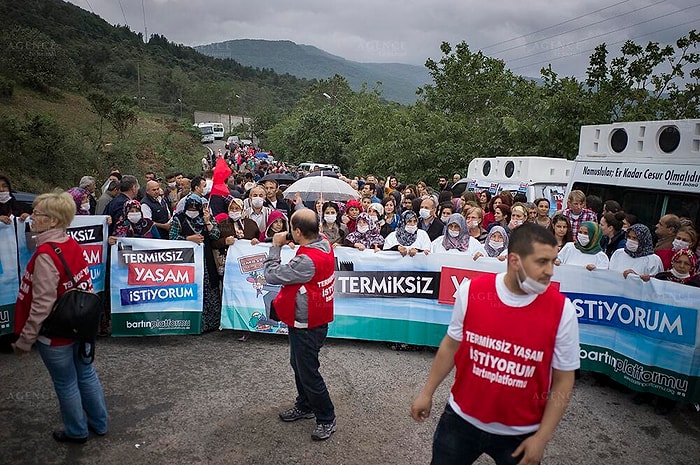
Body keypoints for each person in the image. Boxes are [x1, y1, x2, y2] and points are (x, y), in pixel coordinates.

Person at [410, 223, 579, 465]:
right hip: (460, 421)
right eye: (542, 262)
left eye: (553, 261)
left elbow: (564, 378)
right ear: (514, 261)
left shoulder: (563, 311)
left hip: (520, 434)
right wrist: (427, 393)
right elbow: (451, 344)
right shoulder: (472, 291)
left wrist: (542, 437)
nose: (550, 271)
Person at [13, 191, 108, 443]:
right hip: (81, 324)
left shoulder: (45, 254)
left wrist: (25, 339)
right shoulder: (70, 243)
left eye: (37, 214)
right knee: (86, 374)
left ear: (53, 220)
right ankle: (99, 423)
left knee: (66, 383)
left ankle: (76, 431)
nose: (32, 217)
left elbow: (42, 304)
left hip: (56, 334)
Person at [264, 209, 337, 441]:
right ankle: (305, 405)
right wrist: (294, 238)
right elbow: (308, 235)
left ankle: (326, 417)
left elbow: (271, 274)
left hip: (308, 323)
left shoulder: (306, 261)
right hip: (313, 317)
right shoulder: (324, 242)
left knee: (309, 372)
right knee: (298, 364)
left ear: (297, 231)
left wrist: (275, 246)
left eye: (292, 229)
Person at [170, 194, 221, 332]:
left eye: (195, 207)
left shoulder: (206, 218)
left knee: (209, 289)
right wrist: (188, 239)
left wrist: (207, 222)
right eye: (190, 207)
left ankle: (210, 323)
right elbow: (172, 238)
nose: (192, 209)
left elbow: (216, 235)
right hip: (187, 262)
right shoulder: (179, 219)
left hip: (206, 260)